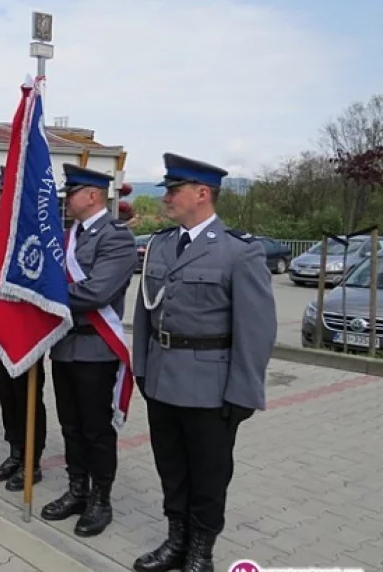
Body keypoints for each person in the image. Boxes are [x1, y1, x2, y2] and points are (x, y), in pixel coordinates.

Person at [132, 153, 276, 572]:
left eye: (173, 190)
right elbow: (145, 312)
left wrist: (244, 391)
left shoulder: (239, 252)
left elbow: (256, 329)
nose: (166, 198)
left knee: (209, 475)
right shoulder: (160, 245)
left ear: (202, 193)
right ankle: (176, 540)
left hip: (211, 388)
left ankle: (201, 551)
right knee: (171, 468)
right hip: (162, 379)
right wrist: (142, 367)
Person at [40, 164, 137, 537]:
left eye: (72, 193)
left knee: (96, 429)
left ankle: (101, 498)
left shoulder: (116, 238)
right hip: (64, 345)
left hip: (96, 347)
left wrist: (44, 294)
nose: (66, 199)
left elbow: (97, 291)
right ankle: (77, 489)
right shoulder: (67, 237)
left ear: (93, 195)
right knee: (71, 426)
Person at [0, 167, 48, 492]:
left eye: (4, 191)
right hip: (2, 330)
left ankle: (31, 461)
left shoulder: (32, 231)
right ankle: (15, 452)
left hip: (25, 331)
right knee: (8, 398)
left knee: (27, 398)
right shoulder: (0, 232)